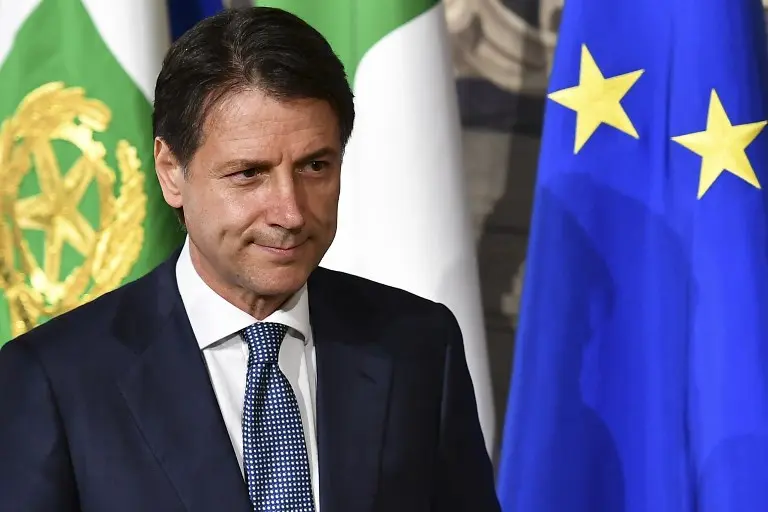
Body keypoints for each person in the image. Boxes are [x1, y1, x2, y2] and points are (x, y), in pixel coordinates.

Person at [0, 7, 500, 512]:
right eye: (248, 174)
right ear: (171, 171)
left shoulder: (418, 344)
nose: (290, 212)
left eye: (315, 166)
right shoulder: (55, 379)